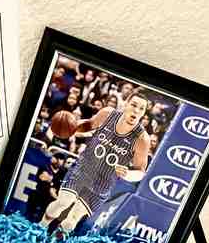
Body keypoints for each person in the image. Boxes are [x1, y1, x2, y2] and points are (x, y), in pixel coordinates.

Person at [40, 88, 151, 233]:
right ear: (125, 104)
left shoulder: (142, 138)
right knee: (62, 202)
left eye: (141, 108)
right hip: (83, 169)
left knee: (72, 219)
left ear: (143, 113)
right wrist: (71, 126)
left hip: (103, 183)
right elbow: (89, 125)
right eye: (134, 105)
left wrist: (128, 174)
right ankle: (39, 228)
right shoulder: (108, 114)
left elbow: (141, 171)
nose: (136, 110)